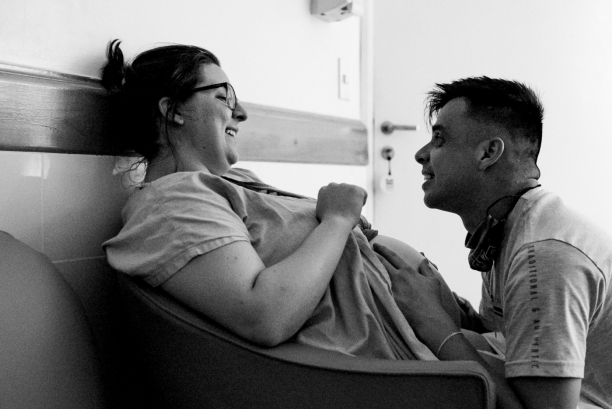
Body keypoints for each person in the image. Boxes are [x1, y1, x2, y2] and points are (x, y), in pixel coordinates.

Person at [374, 77, 612, 409]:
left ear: (489, 153)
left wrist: (437, 328)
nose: (422, 155)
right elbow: (511, 343)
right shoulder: (509, 226)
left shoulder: (544, 254)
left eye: (440, 139)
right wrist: (451, 310)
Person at [100, 39, 435, 361]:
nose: (241, 112)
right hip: (387, 359)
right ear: (172, 110)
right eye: (224, 97)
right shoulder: (172, 203)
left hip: (420, 325)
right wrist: (337, 221)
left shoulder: (229, 182)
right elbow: (265, 316)